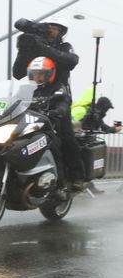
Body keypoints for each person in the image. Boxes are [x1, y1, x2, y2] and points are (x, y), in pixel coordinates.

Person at [13, 16, 85, 188]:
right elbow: (17, 72)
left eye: (56, 27)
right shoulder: (35, 46)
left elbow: (71, 61)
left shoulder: (64, 47)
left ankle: (77, 177)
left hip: (58, 96)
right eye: (49, 26)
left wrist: (43, 49)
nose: (51, 29)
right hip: (33, 95)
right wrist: (23, 49)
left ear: (61, 32)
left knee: (65, 136)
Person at [25, 57, 84, 190]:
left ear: (49, 74)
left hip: (55, 124)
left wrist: (58, 111)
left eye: (40, 74)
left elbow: (63, 102)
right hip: (32, 125)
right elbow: (15, 99)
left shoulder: (58, 87)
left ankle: (68, 181)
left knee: (63, 143)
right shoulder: (27, 89)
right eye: (34, 74)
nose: (37, 77)